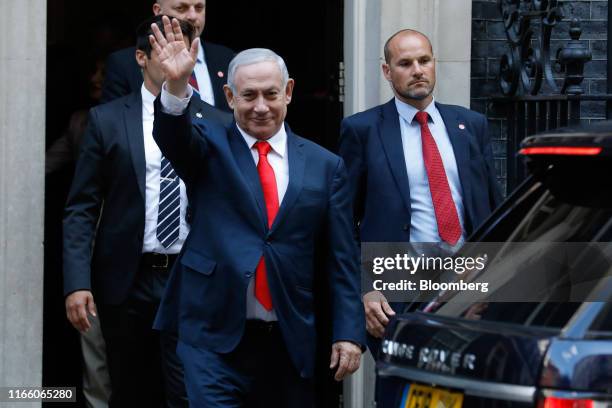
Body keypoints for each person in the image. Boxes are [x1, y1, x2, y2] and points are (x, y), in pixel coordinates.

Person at [149, 16, 365, 407]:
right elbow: (172, 136)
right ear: (230, 97)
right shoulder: (208, 144)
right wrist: (177, 85)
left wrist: (348, 331)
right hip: (212, 336)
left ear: (289, 93)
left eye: (271, 94)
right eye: (248, 96)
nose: (261, 107)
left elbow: (342, 258)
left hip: (288, 338)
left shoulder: (325, 165)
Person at [63, 15, 232, 408]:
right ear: (141, 57)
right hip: (127, 280)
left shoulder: (216, 121)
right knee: (129, 390)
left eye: (186, 49)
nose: (176, 57)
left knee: (187, 391)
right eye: (163, 48)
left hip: (193, 276)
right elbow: (81, 208)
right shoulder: (106, 120)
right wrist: (76, 282)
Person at [338, 29, 503, 348]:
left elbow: (493, 209)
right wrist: (366, 287)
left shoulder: (471, 125)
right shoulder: (362, 130)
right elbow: (343, 221)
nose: (417, 70)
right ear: (387, 71)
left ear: (434, 63)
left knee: (464, 392)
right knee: (402, 389)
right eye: (405, 63)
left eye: (424, 60)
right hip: (397, 292)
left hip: (465, 287)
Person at [101, 0, 234, 112]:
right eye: (181, 8)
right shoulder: (123, 63)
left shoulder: (225, 57)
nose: (193, 16)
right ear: (158, 11)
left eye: (199, 8)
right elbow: (113, 125)